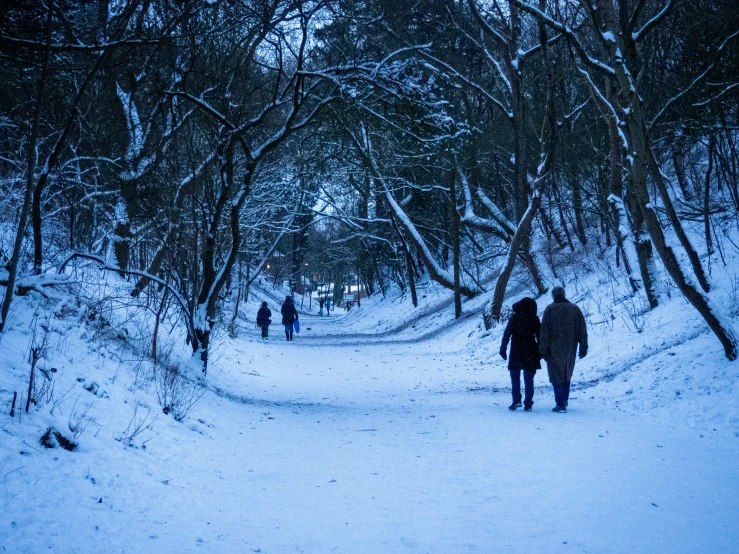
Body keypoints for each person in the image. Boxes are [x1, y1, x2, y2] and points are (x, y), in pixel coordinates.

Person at [539, 286, 588, 413]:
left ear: (553, 296)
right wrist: (583, 346)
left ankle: (560, 403)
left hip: (553, 347)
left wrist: (543, 349)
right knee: (567, 373)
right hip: (570, 347)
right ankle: (564, 400)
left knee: (556, 375)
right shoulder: (575, 309)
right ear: (564, 294)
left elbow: (544, 331)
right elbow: (582, 329)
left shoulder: (550, 309)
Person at [499, 297, 541, 411]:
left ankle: (516, 400)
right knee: (529, 378)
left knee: (515, 376)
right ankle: (528, 403)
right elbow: (539, 336)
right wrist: (541, 351)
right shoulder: (534, 319)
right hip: (531, 348)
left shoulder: (515, 318)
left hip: (516, 348)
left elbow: (507, 333)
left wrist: (503, 348)